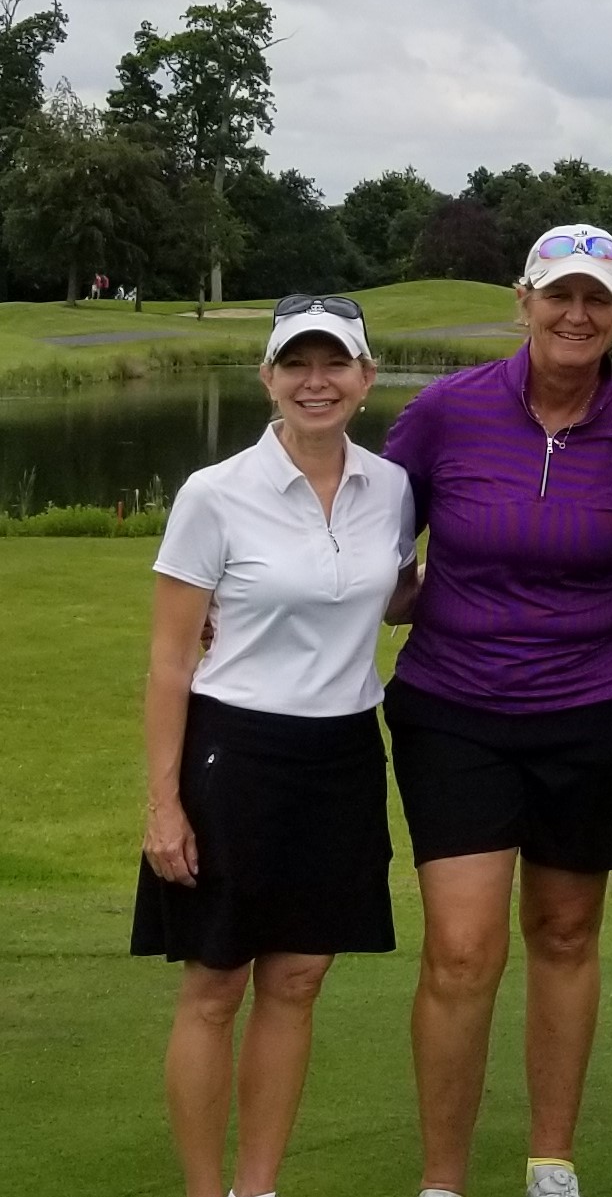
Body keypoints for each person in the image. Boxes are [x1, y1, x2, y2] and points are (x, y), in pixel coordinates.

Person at [380, 223, 612, 1197]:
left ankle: (551, 1160)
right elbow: (361, 534)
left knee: (563, 930)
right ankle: (442, 1179)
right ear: (525, 300)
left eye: (598, 299)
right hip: (453, 706)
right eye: (561, 295)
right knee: (462, 947)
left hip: (591, 711)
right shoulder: (444, 412)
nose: (577, 314)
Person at [131, 294, 418, 1197]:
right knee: (215, 986)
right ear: (268, 377)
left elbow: (391, 594)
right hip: (235, 755)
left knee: (296, 980)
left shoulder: (390, 487)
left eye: (335, 364)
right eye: (297, 363)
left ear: (366, 380)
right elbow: (172, 660)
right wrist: (162, 801)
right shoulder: (214, 493)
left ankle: (260, 1187)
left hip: (340, 755)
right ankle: (203, 1191)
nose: (316, 381)